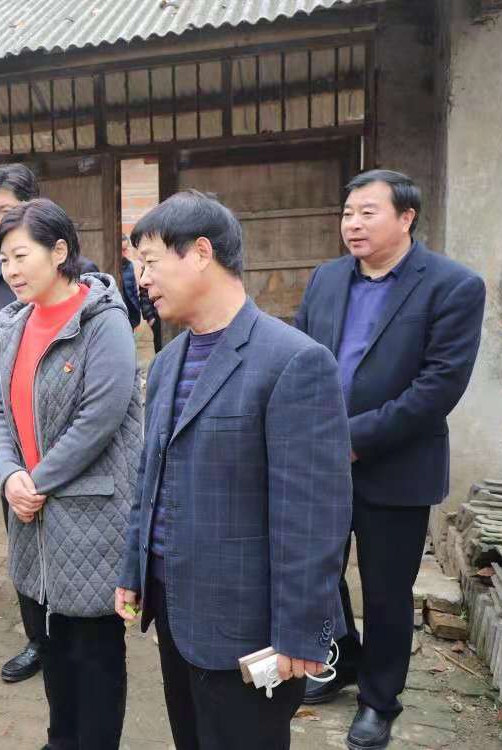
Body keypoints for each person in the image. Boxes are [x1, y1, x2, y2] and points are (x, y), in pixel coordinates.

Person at [116, 190, 353, 750]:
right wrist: (135, 569)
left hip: (250, 627)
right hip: (177, 612)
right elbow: (150, 479)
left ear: (201, 253)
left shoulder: (293, 360)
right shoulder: (168, 360)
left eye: (150, 262)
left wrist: (302, 632)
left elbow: (313, 516)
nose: (142, 280)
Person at [295, 170, 486, 750]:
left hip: (396, 467)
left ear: (406, 218)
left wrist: (352, 438)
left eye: (367, 212)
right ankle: (342, 660)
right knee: (320, 574)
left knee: (385, 590)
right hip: (322, 463)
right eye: (347, 213)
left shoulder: (453, 286)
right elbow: (300, 357)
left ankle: (380, 700)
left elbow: (438, 387)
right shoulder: (327, 279)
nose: (352, 224)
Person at [0, 198, 142, 749]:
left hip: (90, 517)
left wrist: (36, 481)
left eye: (21, 255)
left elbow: (99, 419)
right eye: (3, 259)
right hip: (31, 513)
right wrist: (9, 475)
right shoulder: (15, 324)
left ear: (59, 252)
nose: (11, 270)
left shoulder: (103, 321)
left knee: (93, 651)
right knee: (50, 640)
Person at [0, 163, 98, 684]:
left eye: (6, 210)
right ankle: (37, 640)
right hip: (16, 449)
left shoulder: (85, 282)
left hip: (68, 453)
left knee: (72, 553)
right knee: (22, 544)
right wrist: (11, 468)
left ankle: (72, 636)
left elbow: (99, 398)